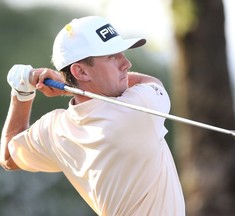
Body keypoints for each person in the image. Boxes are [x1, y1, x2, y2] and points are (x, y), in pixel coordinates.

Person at [0, 16, 185, 215]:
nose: (126, 63)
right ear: (80, 71)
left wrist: (22, 92)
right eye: (112, 56)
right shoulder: (139, 108)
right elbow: (151, 81)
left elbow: (8, 157)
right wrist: (67, 86)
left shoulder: (55, 130)